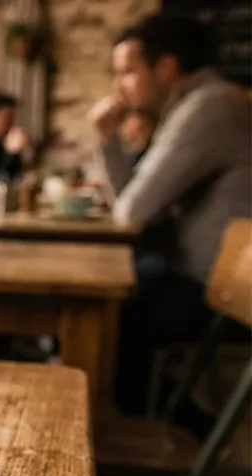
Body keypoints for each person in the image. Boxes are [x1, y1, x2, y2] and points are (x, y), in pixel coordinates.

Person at [91, 14, 252, 415]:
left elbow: (130, 211)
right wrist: (113, 142)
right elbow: (130, 202)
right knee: (114, 295)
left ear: (166, 67)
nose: (119, 87)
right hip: (194, 275)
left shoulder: (210, 105)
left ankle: (132, 433)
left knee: (104, 313)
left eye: (128, 72)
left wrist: (108, 141)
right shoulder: (193, 105)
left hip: (213, 288)